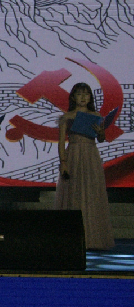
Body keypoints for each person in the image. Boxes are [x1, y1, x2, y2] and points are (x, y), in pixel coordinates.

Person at [55, 82, 115, 250]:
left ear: (90, 97)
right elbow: (61, 142)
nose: (83, 97)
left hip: (90, 155)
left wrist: (101, 133)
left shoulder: (96, 115)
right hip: (73, 154)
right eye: (79, 94)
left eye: (86, 94)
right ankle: (72, 237)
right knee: (73, 193)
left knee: (91, 192)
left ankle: (92, 237)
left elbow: (100, 139)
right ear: (73, 97)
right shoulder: (67, 117)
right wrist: (63, 162)